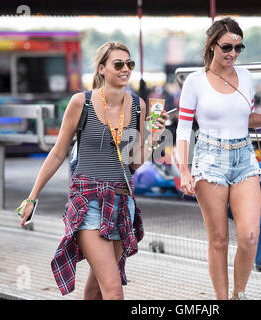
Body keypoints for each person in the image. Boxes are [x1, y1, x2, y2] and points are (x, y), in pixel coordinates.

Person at [17, 41, 169, 299]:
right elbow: (57, 152)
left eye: (129, 64)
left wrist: (154, 138)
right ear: (101, 69)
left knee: (96, 288)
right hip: (88, 201)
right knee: (113, 290)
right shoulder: (82, 103)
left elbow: (133, 163)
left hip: (121, 200)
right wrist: (32, 197)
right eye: (118, 64)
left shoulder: (138, 106)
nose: (125, 69)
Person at [176, 17, 261, 300]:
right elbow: (183, 129)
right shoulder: (195, 81)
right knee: (219, 240)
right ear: (212, 46)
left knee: (250, 237)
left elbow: (247, 119)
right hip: (209, 157)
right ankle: (222, 299)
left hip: (244, 155)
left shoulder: (247, 77)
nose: (233, 53)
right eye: (227, 47)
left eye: (239, 48)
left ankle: (239, 293)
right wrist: (184, 170)